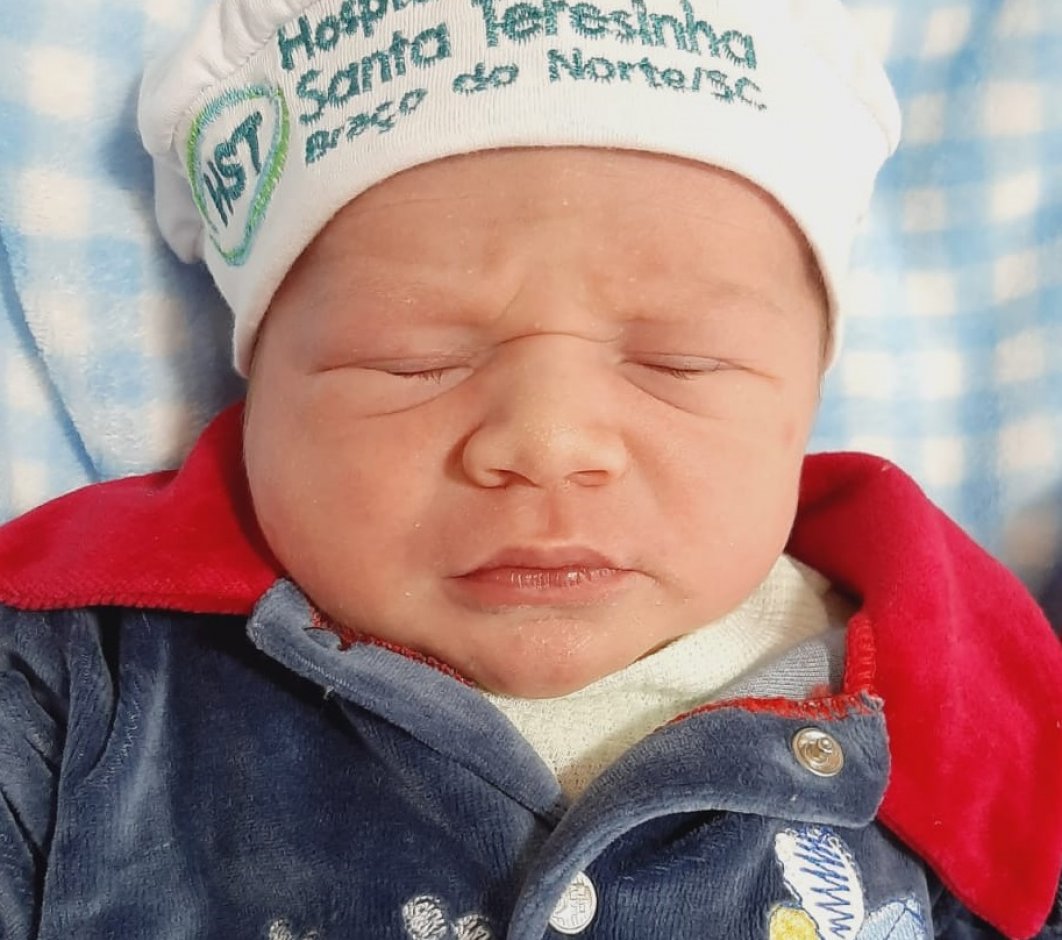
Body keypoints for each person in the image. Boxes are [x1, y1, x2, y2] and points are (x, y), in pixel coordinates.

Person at [1, 0, 1060, 937]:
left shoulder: (978, 730)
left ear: (804, 396)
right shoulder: (83, 680)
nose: (548, 443)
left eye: (678, 362)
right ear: (261, 385)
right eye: (413, 361)